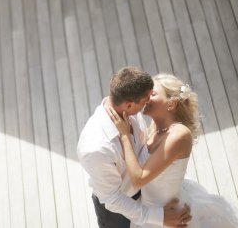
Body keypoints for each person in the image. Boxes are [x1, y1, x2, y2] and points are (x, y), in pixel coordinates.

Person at [107, 73, 238, 228]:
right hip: (153, 216)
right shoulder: (153, 131)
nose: (146, 97)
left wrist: (125, 135)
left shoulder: (179, 134)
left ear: (171, 104)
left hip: (174, 216)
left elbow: (139, 178)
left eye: (152, 94)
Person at [77, 67, 191, 228]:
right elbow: (113, 199)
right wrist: (159, 217)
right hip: (118, 214)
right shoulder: (96, 148)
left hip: (149, 197)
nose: (148, 103)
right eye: (146, 100)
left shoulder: (132, 113)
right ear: (129, 105)